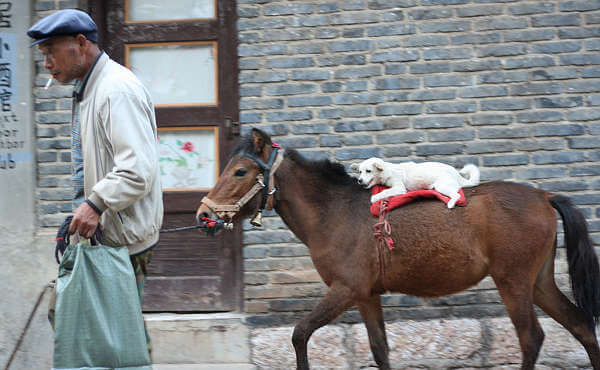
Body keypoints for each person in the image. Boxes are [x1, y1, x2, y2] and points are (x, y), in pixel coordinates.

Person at [27, 9, 163, 356]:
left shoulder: (115, 90)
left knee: (118, 338)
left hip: (122, 240)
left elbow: (137, 170)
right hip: (107, 236)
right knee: (82, 320)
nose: (46, 62)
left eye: (50, 51)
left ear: (81, 43)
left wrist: (95, 203)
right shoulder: (91, 88)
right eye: (43, 53)